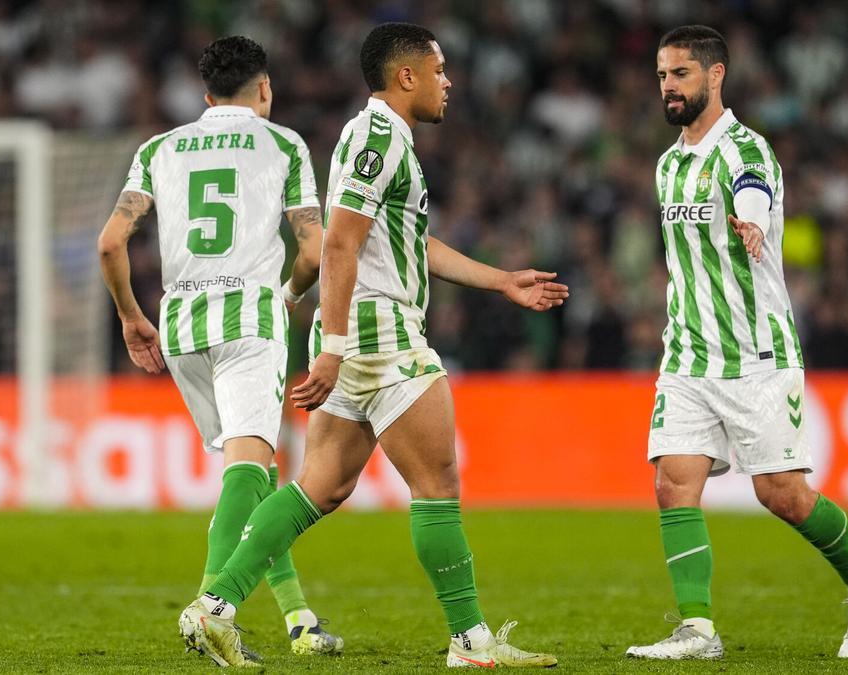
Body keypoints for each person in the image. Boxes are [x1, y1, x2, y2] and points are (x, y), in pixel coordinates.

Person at [178, 22, 567, 669]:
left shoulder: (388, 142)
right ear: (405, 75)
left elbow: (405, 243)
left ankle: (213, 605)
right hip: (378, 333)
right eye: (439, 71)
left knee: (319, 488)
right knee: (438, 480)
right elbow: (338, 240)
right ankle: (471, 642)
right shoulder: (378, 136)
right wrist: (330, 347)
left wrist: (501, 279)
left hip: (358, 333)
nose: (449, 83)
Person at [625, 25, 848, 661]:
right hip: (688, 353)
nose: (668, 87)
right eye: (663, 75)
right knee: (672, 481)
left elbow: (755, 188)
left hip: (756, 356)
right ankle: (696, 630)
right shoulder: (668, 164)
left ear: (715, 76)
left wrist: (750, 215)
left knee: (783, 495)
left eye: (681, 75)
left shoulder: (747, 150)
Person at [96, 35, 342, 664]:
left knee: (255, 477)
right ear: (264, 88)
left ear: (205, 96)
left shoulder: (158, 149)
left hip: (179, 327)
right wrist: (286, 293)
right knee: (250, 468)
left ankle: (300, 621)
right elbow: (314, 251)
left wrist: (131, 317)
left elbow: (109, 243)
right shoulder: (284, 143)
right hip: (248, 323)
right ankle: (211, 609)